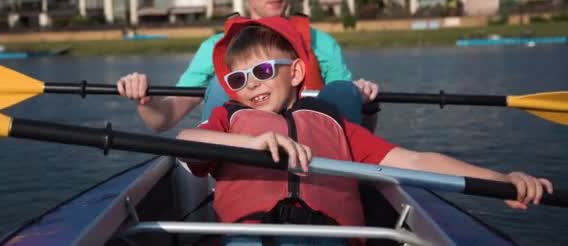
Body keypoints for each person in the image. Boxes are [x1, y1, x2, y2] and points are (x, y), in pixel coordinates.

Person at [176, 16, 553, 245]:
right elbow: (186, 142)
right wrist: (248, 141)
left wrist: (500, 179)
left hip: (331, 239)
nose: (251, 86)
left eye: (261, 72)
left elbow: (416, 160)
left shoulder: (334, 125)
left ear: (294, 73)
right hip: (248, 238)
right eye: (238, 78)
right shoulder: (229, 120)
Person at [117, 0, 379, 132]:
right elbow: (162, 120)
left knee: (343, 90)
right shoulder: (214, 48)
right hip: (241, 161)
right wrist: (145, 100)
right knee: (221, 86)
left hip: (314, 160)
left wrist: (363, 100)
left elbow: (352, 120)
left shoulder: (323, 44)